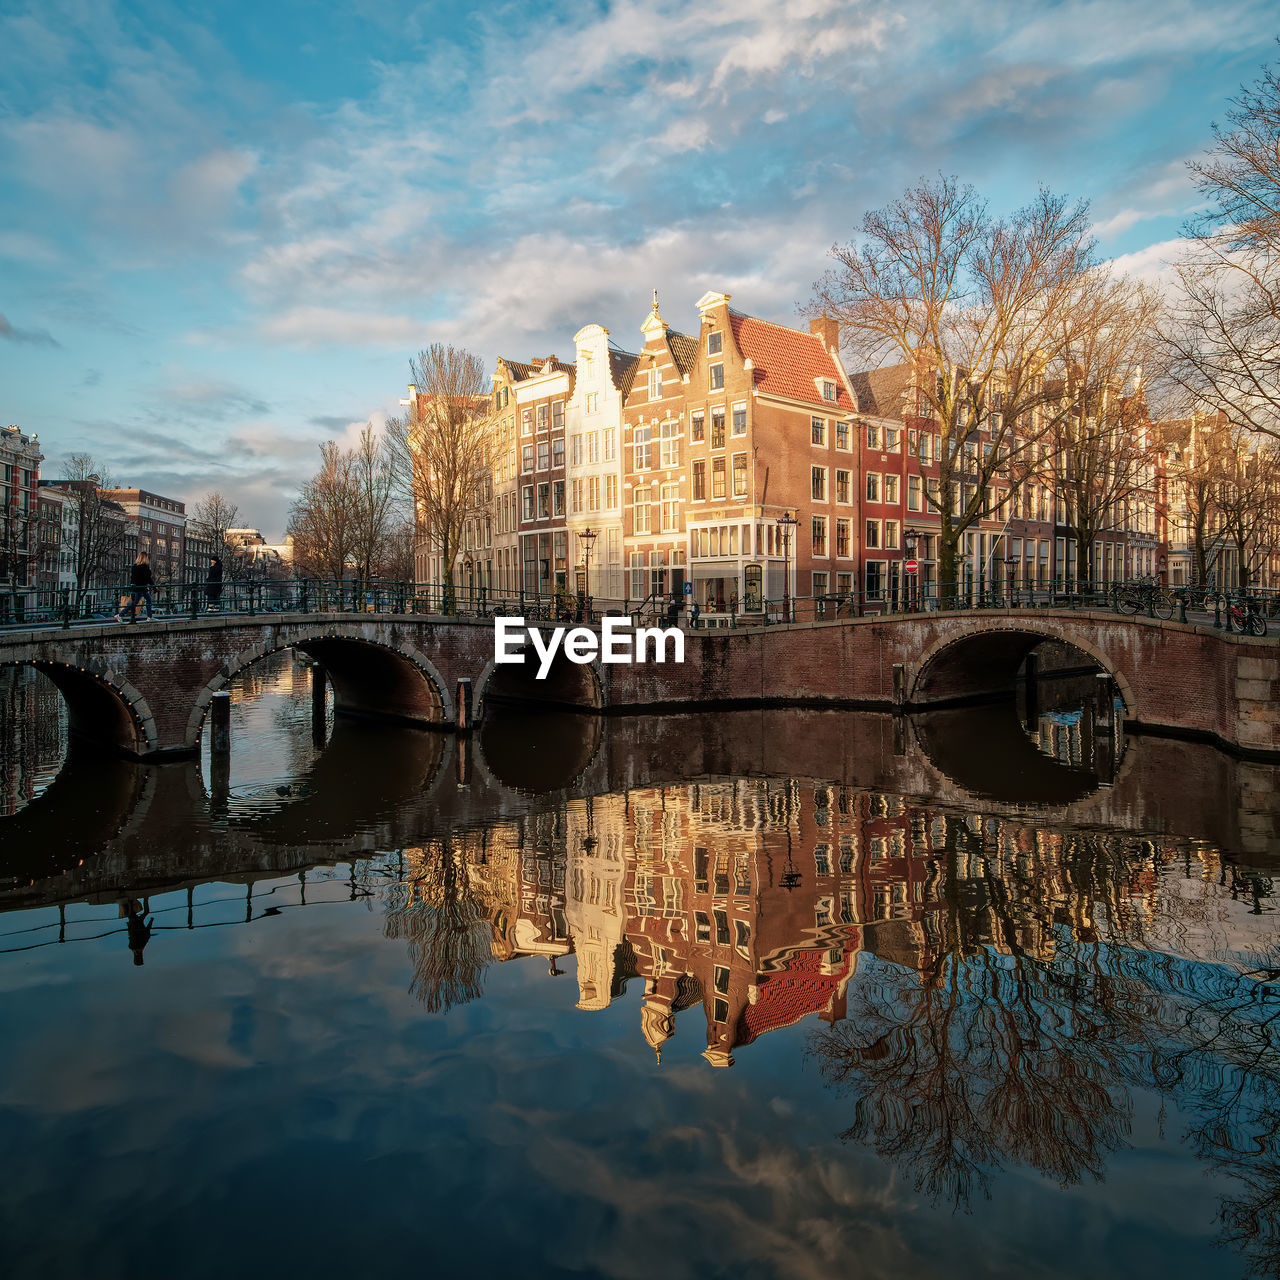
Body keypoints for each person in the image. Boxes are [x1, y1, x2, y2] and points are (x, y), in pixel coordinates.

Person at [117, 552, 154, 623]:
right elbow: (148, 578)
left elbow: (133, 578)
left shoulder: (135, 567)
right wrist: (153, 586)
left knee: (148, 599)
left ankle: (150, 617)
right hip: (141, 588)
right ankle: (120, 614)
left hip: (137, 587)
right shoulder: (144, 567)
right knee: (135, 603)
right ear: (145, 558)